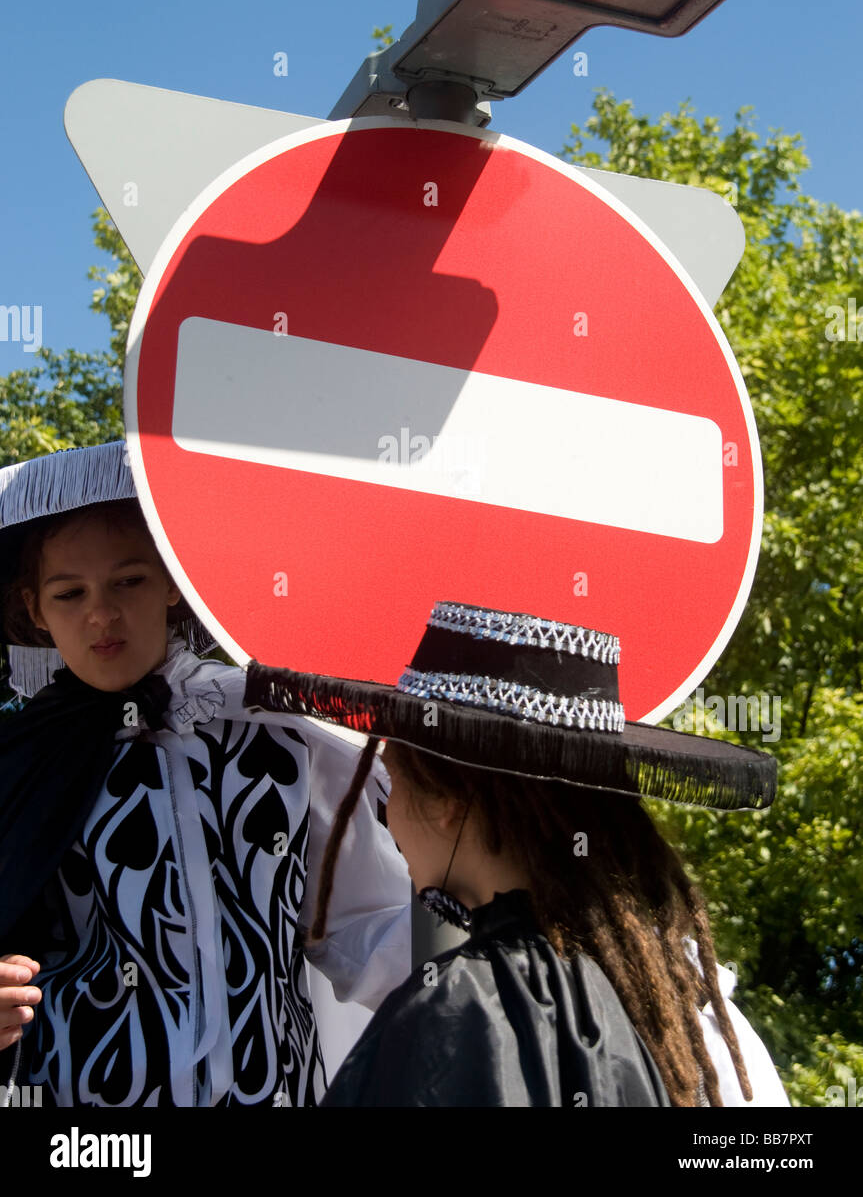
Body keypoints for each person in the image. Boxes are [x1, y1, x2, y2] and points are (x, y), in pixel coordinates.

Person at [245, 599, 790, 1108]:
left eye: (395, 779)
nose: (388, 814)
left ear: (449, 803)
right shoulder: (687, 1014)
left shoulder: (462, 1005)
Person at [0, 440, 411, 1106]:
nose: (100, 615)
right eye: (70, 593)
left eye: (128, 580)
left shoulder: (283, 732)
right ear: (36, 609)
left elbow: (366, 926)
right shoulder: (18, 764)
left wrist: (497, 964)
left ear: (170, 579)